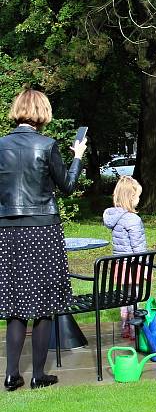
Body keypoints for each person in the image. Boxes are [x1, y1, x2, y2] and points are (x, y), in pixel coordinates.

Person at [1, 89, 87, 390]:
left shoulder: (1, 145)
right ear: (43, 112)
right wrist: (77, 157)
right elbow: (67, 186)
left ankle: (11, 375)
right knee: (45, 300)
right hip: (42, 229)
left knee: (14, 302)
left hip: (8, 231)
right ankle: (38, 376)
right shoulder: (47, 145)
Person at [103, 176, 147, 340]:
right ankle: (136, 330)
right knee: (135, 297)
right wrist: (146, 264)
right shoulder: (133, 219)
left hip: (120, 265)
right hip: (134, 266)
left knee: (125, 297)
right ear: (131, 197)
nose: (138, 200)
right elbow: (138, 247)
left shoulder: (115, 218)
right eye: (137, 196)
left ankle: (125, 327)